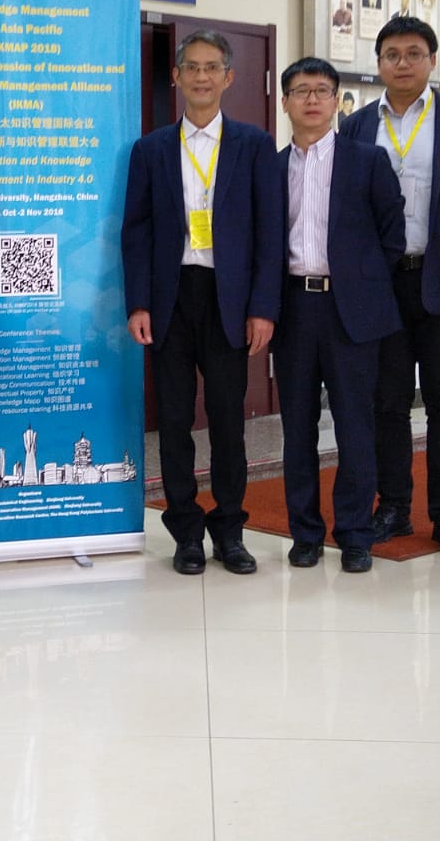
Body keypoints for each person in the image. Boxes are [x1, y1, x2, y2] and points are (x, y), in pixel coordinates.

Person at [122, 30, 282, 575]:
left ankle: (230, 530)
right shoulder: (150, 150)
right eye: (191, 67)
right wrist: (139, 303)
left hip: (229, 300)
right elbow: (136, 232)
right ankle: (186, 532)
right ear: (176, 76)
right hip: (169, 299)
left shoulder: (254, 145)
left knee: (227, 421)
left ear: (228, 77)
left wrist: (263, 308)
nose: (201, 77)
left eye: (212, 67)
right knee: (172, 421)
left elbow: (269, 232)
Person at [339, 17, 440, 558]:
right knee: (386, 402)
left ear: (432, 60)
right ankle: (394, 506)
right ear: (378, 63)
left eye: (413, 53)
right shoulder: (357, 126)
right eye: (391, 54)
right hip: (381, 286)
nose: (402, 63)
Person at [273, 58, 404, 573]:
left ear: (336, 101)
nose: (312, 100)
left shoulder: (367, 160)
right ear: (285, 102)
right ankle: (305, 533)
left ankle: (354, 533)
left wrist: (361, 283)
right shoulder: (271, 166)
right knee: (297, 427)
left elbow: (392, 235)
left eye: (322, 91)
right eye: (301, 91)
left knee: (355, 425)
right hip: (292, 308)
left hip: (351, 309)